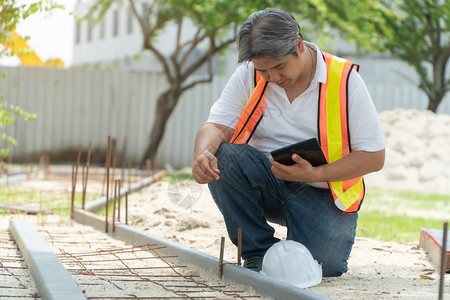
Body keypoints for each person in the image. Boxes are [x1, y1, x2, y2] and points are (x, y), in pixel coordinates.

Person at [192, 8, 385, 277]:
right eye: (264, 70)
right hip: (267, 182)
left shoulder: (345, 80)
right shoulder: (249, 74)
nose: (273, 77)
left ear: (298, 44)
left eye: (279, 66)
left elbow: (374, 157)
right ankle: (258, 252)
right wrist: (201, 154)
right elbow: (217, 126)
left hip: (324, 195)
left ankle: (296, 248)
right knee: (224, 156)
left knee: (323, 269)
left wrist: (316, 173)